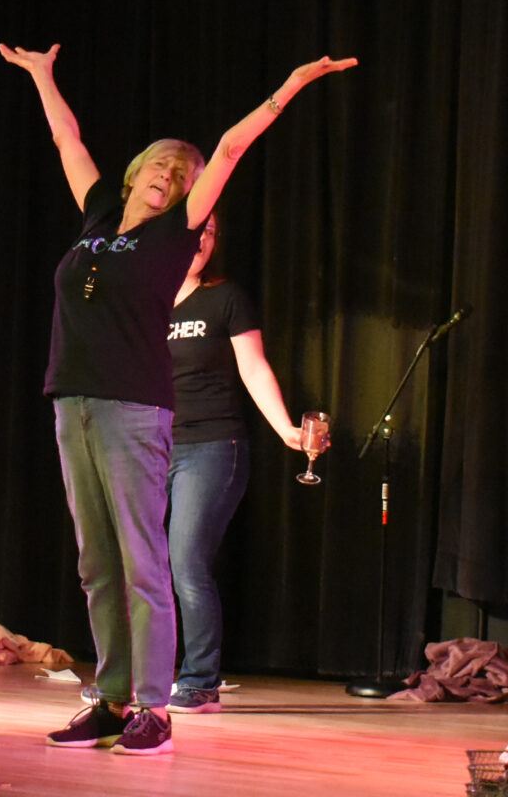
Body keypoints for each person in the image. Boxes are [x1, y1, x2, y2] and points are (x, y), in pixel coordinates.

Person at [0, 41, 356, 756]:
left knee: (141, 558)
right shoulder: (99, 214)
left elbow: (228, 147)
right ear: (133, 174)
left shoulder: (174, 232)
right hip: (72, 400)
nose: (170, 174)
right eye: (159, 164)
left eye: (181, 172)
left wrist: (289, 85)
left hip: (134, 405)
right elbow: (67, 139)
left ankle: (153, 709)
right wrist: (43, 76)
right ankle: (109, 697)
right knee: (95, 562)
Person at [165, 213, 301, 713]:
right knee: (138, 565)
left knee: (187, 562)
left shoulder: (224, 297)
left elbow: (254, 365)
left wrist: (285, 427)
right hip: (152, 445)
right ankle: (134, 680)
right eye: (195, 228)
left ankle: (200, 681)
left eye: (211, 231)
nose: (202, 239)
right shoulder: (144, 300)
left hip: (212, 446)